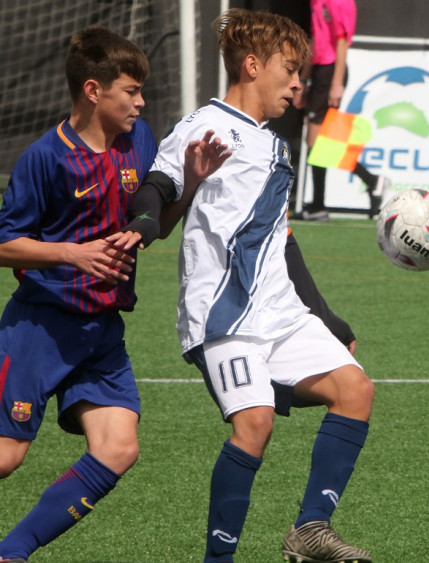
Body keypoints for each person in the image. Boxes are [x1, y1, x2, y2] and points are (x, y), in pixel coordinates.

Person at [147, 9, 374, 562]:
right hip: (223, 317)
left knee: (356, 390)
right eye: (290, 70)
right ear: (252, 66)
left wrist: (326, 316)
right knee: (255, 424)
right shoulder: (203, 127)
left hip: (281, 312)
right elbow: (156, 185)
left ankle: (310, 531)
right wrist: (140, 223)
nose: (299, 82)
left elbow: (283, 241)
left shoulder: (275, 146)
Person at [0, 26, 220, 562]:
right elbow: (5, 244)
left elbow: (157, 228)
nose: (142, 102)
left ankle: (12, 551)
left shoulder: (138, 144)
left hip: (101, 332)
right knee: (6, 456)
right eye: (131, 91)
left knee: (119, 448)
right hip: (41, 327)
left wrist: (190, 184)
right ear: (94, 90)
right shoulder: (44, 158)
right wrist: (72, 253)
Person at [295, 0, 388, 221]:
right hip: (318, 70)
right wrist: (303, 79)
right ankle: (370, 181)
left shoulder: (339, 2)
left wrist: (337, 83)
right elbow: (315, 39)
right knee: (321, 141)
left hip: (330, 70)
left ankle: (319, 204)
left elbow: (342, 41)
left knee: (316, 140)